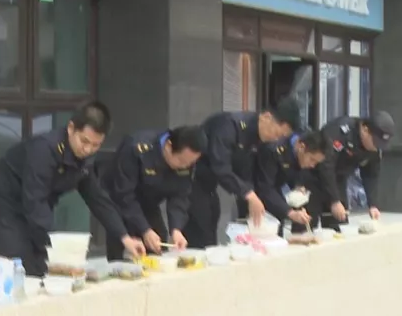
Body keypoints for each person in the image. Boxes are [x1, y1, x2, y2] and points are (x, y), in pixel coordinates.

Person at [0, 101, 146, 276]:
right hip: (5, 208)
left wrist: (124, 237)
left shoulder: (84, 158)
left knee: (44, 269)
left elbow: (97, 199)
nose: (88, 149)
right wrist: (57, 247)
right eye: (84, 141)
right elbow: (35, 201)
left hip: (35, 210)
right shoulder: (44, 150)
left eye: (96, 145)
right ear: (71, 128)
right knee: (19, 270)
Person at [184, 98, 302, 248]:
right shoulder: (229, 125)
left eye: (281, 137)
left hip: (210, 186)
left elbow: (247, 173)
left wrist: (251, 200)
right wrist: (249, 194)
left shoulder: (258, 140)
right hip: (190, 181)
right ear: (266, 117)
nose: (276, 139)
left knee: (212, 223)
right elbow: (221, 167)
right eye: (277, 134)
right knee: (201, 231)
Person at [99, 126, 207, 260]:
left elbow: (180, 195)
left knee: (158, 249)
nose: (185, 166)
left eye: (190, 163)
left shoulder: (187, 160)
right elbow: (124, 195)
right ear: (169, 146)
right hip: (119, 202)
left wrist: (176, 229)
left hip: (149, 204)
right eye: (181, 161)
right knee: (121, 254)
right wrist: (144, 229)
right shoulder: (136, 148)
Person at [309, 111, 395, 231]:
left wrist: (373, 204)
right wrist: (334, 200)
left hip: (339, 179)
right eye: (375, 142)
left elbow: (371, 175)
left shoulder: (374, 149)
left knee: (338, 225)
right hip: (314, 174)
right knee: (307, 224)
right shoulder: (340, 131)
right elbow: (326, 165)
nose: (376, 148)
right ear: (365, 129)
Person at [254, 130, 329, 236]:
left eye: (316, 163)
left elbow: (292, 172)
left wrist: (297, 186)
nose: (312, 165)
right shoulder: (274, 150)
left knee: (277, 235)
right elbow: (265, 187)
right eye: (312, 160)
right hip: (254, 195)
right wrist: (290, 212)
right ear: (301, 147)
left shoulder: (299, 155)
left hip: (275, 194)